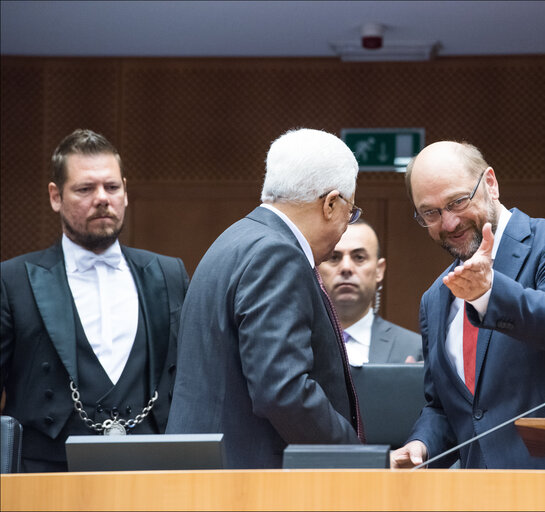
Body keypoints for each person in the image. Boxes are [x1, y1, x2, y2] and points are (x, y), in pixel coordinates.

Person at [390, 140, 545, 470]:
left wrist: (486, 293)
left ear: (490, 183)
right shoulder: (435, 298)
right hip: (487, 491)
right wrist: (421, 444)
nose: (448, 223)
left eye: (457, 202)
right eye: (430, 213)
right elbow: (445, 408)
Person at [166, 128, 364, 469]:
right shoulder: (276, 254)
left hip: (208, 473)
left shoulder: (234, 240)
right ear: (331, 203)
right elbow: (283, 391)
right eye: (351, 211)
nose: (348, 224)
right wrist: (356, 456)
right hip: (247, 483)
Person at [0, 129, 189, 473]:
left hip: (153, 468)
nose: (102, 198)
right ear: (55, 196)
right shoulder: (12, 280)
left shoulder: (168, 273)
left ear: (126, 192)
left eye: (112, 187)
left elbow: (193, 378)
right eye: (85, 189)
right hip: (46, 477)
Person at [317, 219, 422, 365]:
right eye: (334, 257)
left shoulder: (415, 349)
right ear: (316, 268)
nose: (346, 268)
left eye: (359, 257)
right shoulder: (295, 344)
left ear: (379, 270)